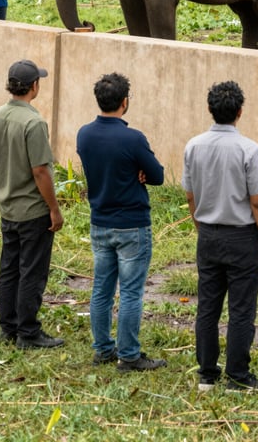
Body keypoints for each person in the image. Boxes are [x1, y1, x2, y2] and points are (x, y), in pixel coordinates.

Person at [182, 80, 258, 392]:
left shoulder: (193, 146)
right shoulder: (249, 149)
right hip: (242, 237)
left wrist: (202, 228)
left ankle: (207, 373)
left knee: (207, 306)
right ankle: (237, 375)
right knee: (241, 309)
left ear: (210, 110)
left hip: (208, 234)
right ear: (240, 112)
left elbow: (191, 196)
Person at [76, 73, 167, 372]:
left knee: (101, 289)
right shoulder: (133, 138)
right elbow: (157, 175)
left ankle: (102, 348)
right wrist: (138, 171)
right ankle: (129, 355)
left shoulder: (84, 135)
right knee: (130, 291)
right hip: (132, 224)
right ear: (125, 102)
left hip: (100, 222)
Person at [0, 59, 64, 349]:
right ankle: (28, 332)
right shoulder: (34, 122)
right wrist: (54, 208)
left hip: (7, 204)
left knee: (9, 268)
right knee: (32, 270)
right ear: (34, 86)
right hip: (32, 209)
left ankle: (8, 326)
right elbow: (40, 171)